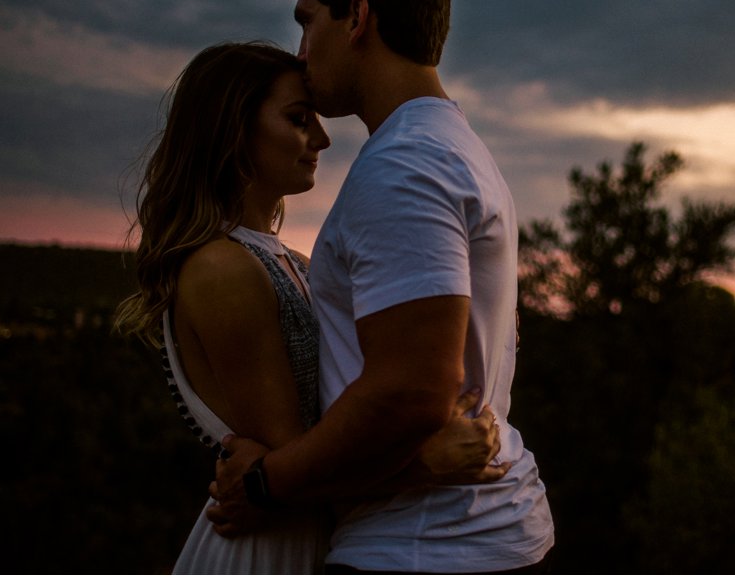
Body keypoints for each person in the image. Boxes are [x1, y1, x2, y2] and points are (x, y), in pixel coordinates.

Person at [208, 0, 555, 573]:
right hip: (464, 536)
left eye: (308, 23)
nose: (302, 50)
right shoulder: (450, 147)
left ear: (358, 18)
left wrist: (268, 483)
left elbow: (411, 392)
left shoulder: (404, 165)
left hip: (425, 547)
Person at [114, 42, 504, 573]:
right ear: (232, 129)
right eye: (299, 120)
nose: (321, 138)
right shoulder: (219, 268)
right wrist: (425, 463)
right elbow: (290, 461)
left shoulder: (291, 259)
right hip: (265, 545)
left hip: (315, 530)